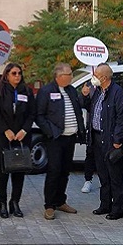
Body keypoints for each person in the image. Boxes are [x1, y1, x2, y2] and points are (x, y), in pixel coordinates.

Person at [35, 62, 85, 220]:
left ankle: (60, 201)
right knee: (54, 171)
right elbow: (39, 116)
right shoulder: (46, 91)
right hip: (55, 138)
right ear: (59, 76)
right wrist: (50, 132)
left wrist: (84, 96)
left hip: (70, 137)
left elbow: (77, 109)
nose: (71, 76)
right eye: (69, 74)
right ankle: (49, 205)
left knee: (65, 171)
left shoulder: (71, 90)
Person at [81, 63, 123, 220]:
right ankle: (105, 204)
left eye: (96, 75)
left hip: (110, 139)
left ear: (104, 77)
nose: (94, 78)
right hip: (96, 138)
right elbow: (89, 108)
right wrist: (85, 95)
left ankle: (117, 208)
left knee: (114, 175)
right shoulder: (97, 91)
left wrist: (117, 139)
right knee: (102, 174)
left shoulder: (117, 92)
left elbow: (122, 118)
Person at [0, 63, 35, 218]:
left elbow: (31, 114)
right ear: (7, 74)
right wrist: (6, 130)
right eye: (14, 73)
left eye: (19, 73)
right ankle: (2, 202)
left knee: (19, 170)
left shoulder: (26, 91)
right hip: (2, 136)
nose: (17, 76)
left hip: (21, 136)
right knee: (2, 171)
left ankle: (15, 202)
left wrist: (24, 130)